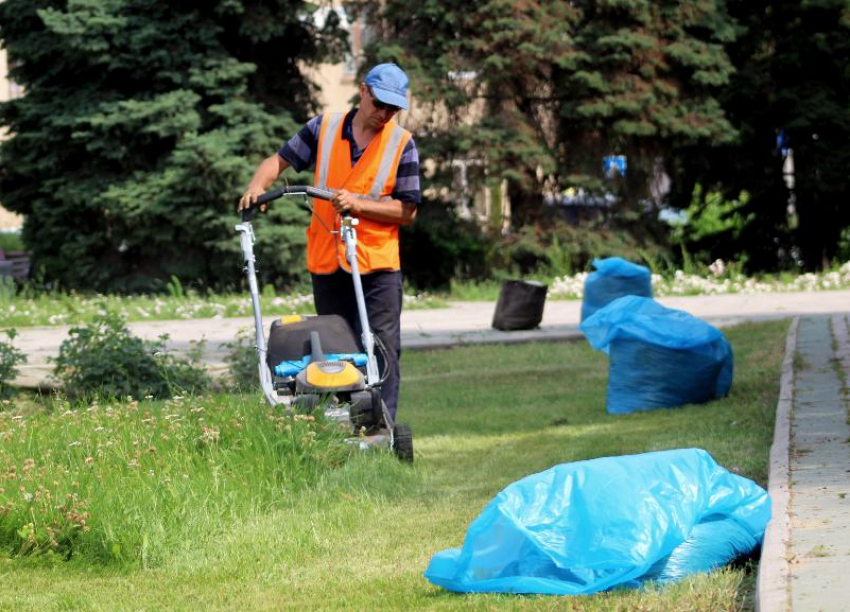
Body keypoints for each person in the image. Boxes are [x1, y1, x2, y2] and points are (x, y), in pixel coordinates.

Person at [238, 63, 420, 421]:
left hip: (378, 264)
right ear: (364, 91)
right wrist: (257, 187)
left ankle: (381, 425)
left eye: (392, 109)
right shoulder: (324, 128)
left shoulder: (402, 143)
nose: (384, 114)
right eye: (379, 104)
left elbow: (407, 210)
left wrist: (359, 204)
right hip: (327, 260)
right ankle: (344, 422)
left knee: (382, 348)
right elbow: (280, 161)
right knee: (338, 348)